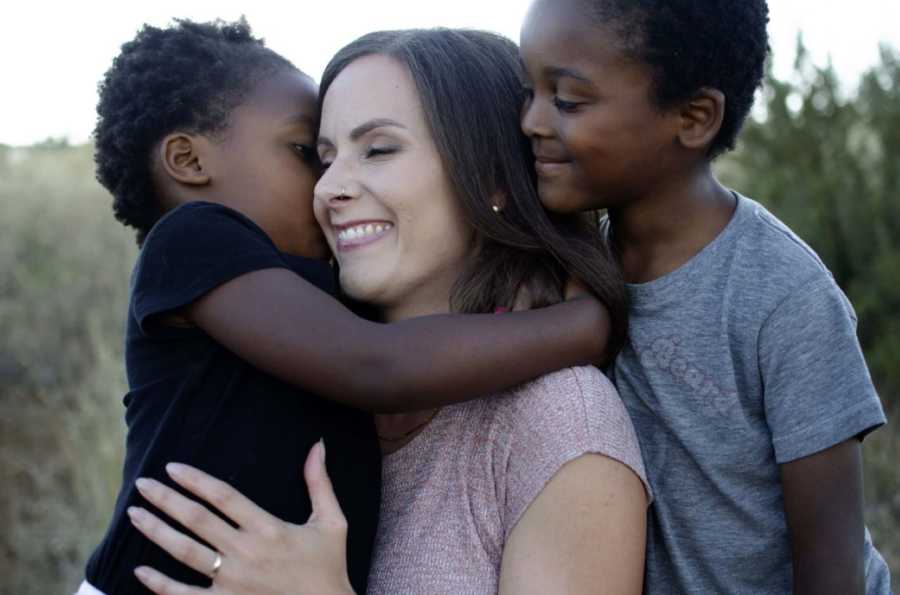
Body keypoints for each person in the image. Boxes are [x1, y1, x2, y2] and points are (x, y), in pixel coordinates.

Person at [80, 19, 618, 595]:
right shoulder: (195, 240)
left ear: (490, 173)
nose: (327, 186)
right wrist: (583, 323)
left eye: (379, 149)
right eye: (315, 153)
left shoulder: (561, 421)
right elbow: (378, 365)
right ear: (187, 160)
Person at [518, 0, 891, 593]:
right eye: (528, 91)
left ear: (693, 117)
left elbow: (830, 564)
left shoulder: (785, 297)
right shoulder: (581, 267)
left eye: (566, 99)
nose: (532, 121)